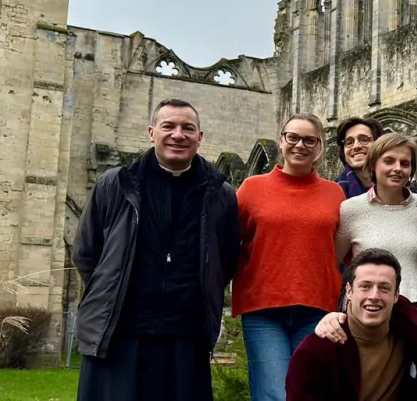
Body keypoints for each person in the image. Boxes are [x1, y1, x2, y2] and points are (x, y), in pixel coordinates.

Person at [73, 98, 239, 401]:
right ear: (152, 132)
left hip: (186, 333)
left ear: (200, 138)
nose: (178, 134)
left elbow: (225, 260)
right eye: (169, 126)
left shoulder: (220, 193)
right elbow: (86, 252)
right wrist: (112, 288)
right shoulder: (115, 184)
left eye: (188, 128)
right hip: (120, 330)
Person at [231, 114, 346, 401]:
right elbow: (231, 242)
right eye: (292, 137)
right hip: (263, 309)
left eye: (310, 140)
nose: (300, 145)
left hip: (318, 308)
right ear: (281, 141)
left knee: (308, 392)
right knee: (274, 393)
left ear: (320, 148)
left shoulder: (335, 193)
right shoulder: (251, 189)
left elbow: (343, 250)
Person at [285, 249, 417, 400]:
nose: (374, 296)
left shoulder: (404, 317)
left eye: (384, 288)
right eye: (365, 286)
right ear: (349, 291)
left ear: (396, 295)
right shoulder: (314, 353)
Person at [337, 132, 417, 303]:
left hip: (416, 311)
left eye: (404, 163)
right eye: (389, 161)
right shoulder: (351, 209)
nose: (397, 168)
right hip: (366, 312)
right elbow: (333, 266)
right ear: (373, 164)